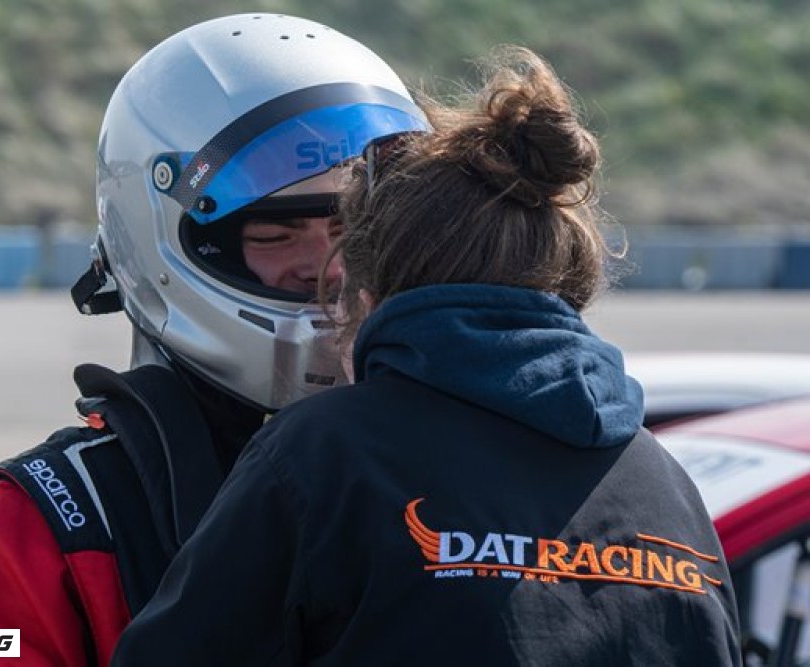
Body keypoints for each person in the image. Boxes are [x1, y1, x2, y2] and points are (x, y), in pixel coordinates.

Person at [112, 46, 742, 665]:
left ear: (367, 295)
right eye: (275, 236)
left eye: (339, 247)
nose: (319, 282)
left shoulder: (323, 454)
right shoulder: (664, 483)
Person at [0, 13, 429, 667]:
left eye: (351, 231)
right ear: (162, 243)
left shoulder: (466, 457)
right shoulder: (46, 524)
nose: (329, 270)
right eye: (274, 235)